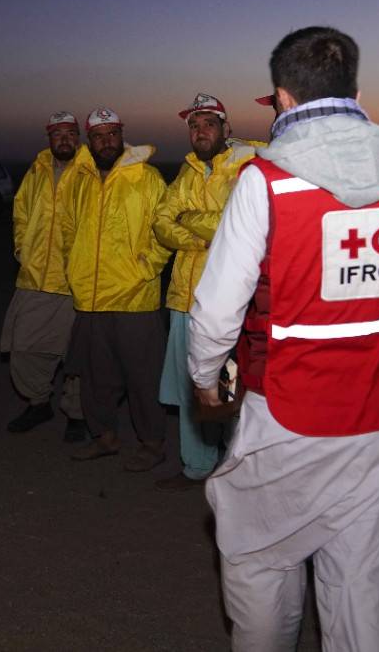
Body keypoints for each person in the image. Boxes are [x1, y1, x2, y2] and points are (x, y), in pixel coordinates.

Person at [188, 27, 379, 651]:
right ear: (358, 92)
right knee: (362, 581)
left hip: (288, 414)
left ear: (282, 99)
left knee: (260, 560)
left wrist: (207, 382)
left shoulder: (266, 182)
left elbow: (214, 316)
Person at [152, 94, 261, 491]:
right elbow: (161, 223)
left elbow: (240, 222)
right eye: (194, 126)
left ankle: (237, 473)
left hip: (232, 298)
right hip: (185, 295)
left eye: (209, 124)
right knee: (191, 386)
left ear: (225, 128)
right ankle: (197, 466)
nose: (201, 132)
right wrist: (204, 240)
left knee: (233, 386)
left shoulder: (247, 165)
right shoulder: (188, 172)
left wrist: (192, 220)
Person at [60, 107, 172, 471]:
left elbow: (164, 231)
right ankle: (105, 438)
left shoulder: (147, 177)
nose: (106, 141)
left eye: (112, 134)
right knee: (96, 378)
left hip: (134, 298)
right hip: (91, 299)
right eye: (98, 136)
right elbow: (67, 230)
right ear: (88, 141)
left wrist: (144, 268)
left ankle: (152, 444)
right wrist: (72, 269)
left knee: (143, 377)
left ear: (122, 135)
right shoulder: (81, 180)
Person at [0, 111, 87, 441]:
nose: (64, 139)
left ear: (78, 137)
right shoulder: (36, 171)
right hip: (35, 276)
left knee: (76, 353)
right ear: (49, 137)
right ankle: (39, 402)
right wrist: (23, 249)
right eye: (57, 134)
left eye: (70, 133)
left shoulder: (90, 171)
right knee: (22, 347)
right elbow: (20, 213)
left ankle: (76, 413)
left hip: (74, 279)